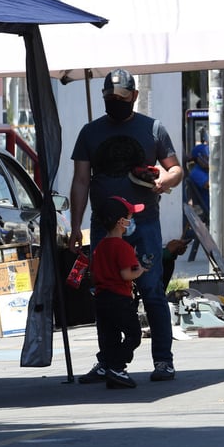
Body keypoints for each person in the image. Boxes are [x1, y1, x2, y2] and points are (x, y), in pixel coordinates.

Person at [70, 68, 183, 384]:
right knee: (105, 293)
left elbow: (175, 169)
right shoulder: (89, 133)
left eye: (121, 97)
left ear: (134, 96)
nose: (115, 102)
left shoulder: (153, 129)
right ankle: (108, 361)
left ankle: (163, 360)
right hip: (104, 228)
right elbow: (80, 181)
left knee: (151, 290)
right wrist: (76, 226)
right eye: (110, 97)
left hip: (143, 222)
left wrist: (163, 180)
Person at [90, 196, 146, 389]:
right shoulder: (123, 247)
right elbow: (126, 275)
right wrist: (141, 269)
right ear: (121, 222)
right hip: (119, 299)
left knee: (110, 337)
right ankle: (117, 367)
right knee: (133, 335)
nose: (131, 221)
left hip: (101, 299)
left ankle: (113, 370)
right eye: (130, 217)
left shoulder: (99, 247)